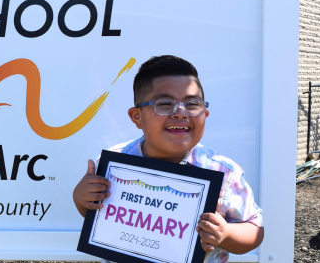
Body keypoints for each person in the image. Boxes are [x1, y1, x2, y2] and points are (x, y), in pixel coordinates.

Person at [72, 55, 264, 263]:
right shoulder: (115, 163)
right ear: (136, 117)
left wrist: (226, 234)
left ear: (205, 114)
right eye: (164, 104)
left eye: (192, 104)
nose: (180, 113)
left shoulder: (224, 172)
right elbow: (95, 213)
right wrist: (81, 197)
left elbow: (254, 230)